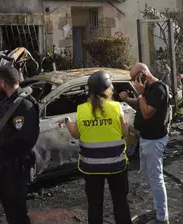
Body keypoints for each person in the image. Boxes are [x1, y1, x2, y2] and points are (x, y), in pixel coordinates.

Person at [58, 71, 133, 224]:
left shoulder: (81, 110)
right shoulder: (116, 107)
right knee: (120, 202)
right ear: (107, 89)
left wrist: (67, 121)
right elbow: (125, 132)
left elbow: (75, 134)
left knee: (94, 205)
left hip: (90, 166)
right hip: (116, 165)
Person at [0, 66, 39, 224]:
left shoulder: (24, 106)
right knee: (10, 210)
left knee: (17, 213)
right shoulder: (7, 102)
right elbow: (4, 128)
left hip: (18, 167)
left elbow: (25, 140)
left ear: (3, 82)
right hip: (6, 165)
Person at [119, 63, 171, 224]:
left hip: (155, 140)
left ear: (143, 74)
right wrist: (128, 99)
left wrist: (140, 95)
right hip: (147, 138)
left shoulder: (158, 89)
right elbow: (141, 107)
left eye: (135, 78)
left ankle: (162, 217)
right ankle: (158, 208)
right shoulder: (150, 89)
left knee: (156, 178)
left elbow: (147, 113)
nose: (134, 82)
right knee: (150, 175)